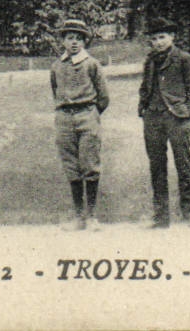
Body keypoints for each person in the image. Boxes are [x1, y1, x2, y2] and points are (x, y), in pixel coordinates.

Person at [137, 17, 190, 227]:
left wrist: (186, 113)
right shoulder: (150, 61)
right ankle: (161, 215)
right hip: (153, 118)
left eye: (162, 37)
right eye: (154, 39)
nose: (158, 42)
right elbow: (145, 87)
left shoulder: (184, 59)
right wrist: (143, 108)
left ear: (172, 37)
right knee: (156, 167)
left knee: (183, 165)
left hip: (176, 118)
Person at [50, 18, 109, 230]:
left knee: (90, 164)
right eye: (69, 38)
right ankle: (78, 217)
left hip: (87, 115)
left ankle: (91, 216)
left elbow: (103, 97)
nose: (74, 42)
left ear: (85, 42)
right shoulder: (57, 66)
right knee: (71, 166)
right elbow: (55, 90)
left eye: (78, 38)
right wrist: (65, 111)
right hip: (64, 118)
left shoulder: (91, 64)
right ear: (63, 41)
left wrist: (90, 113)